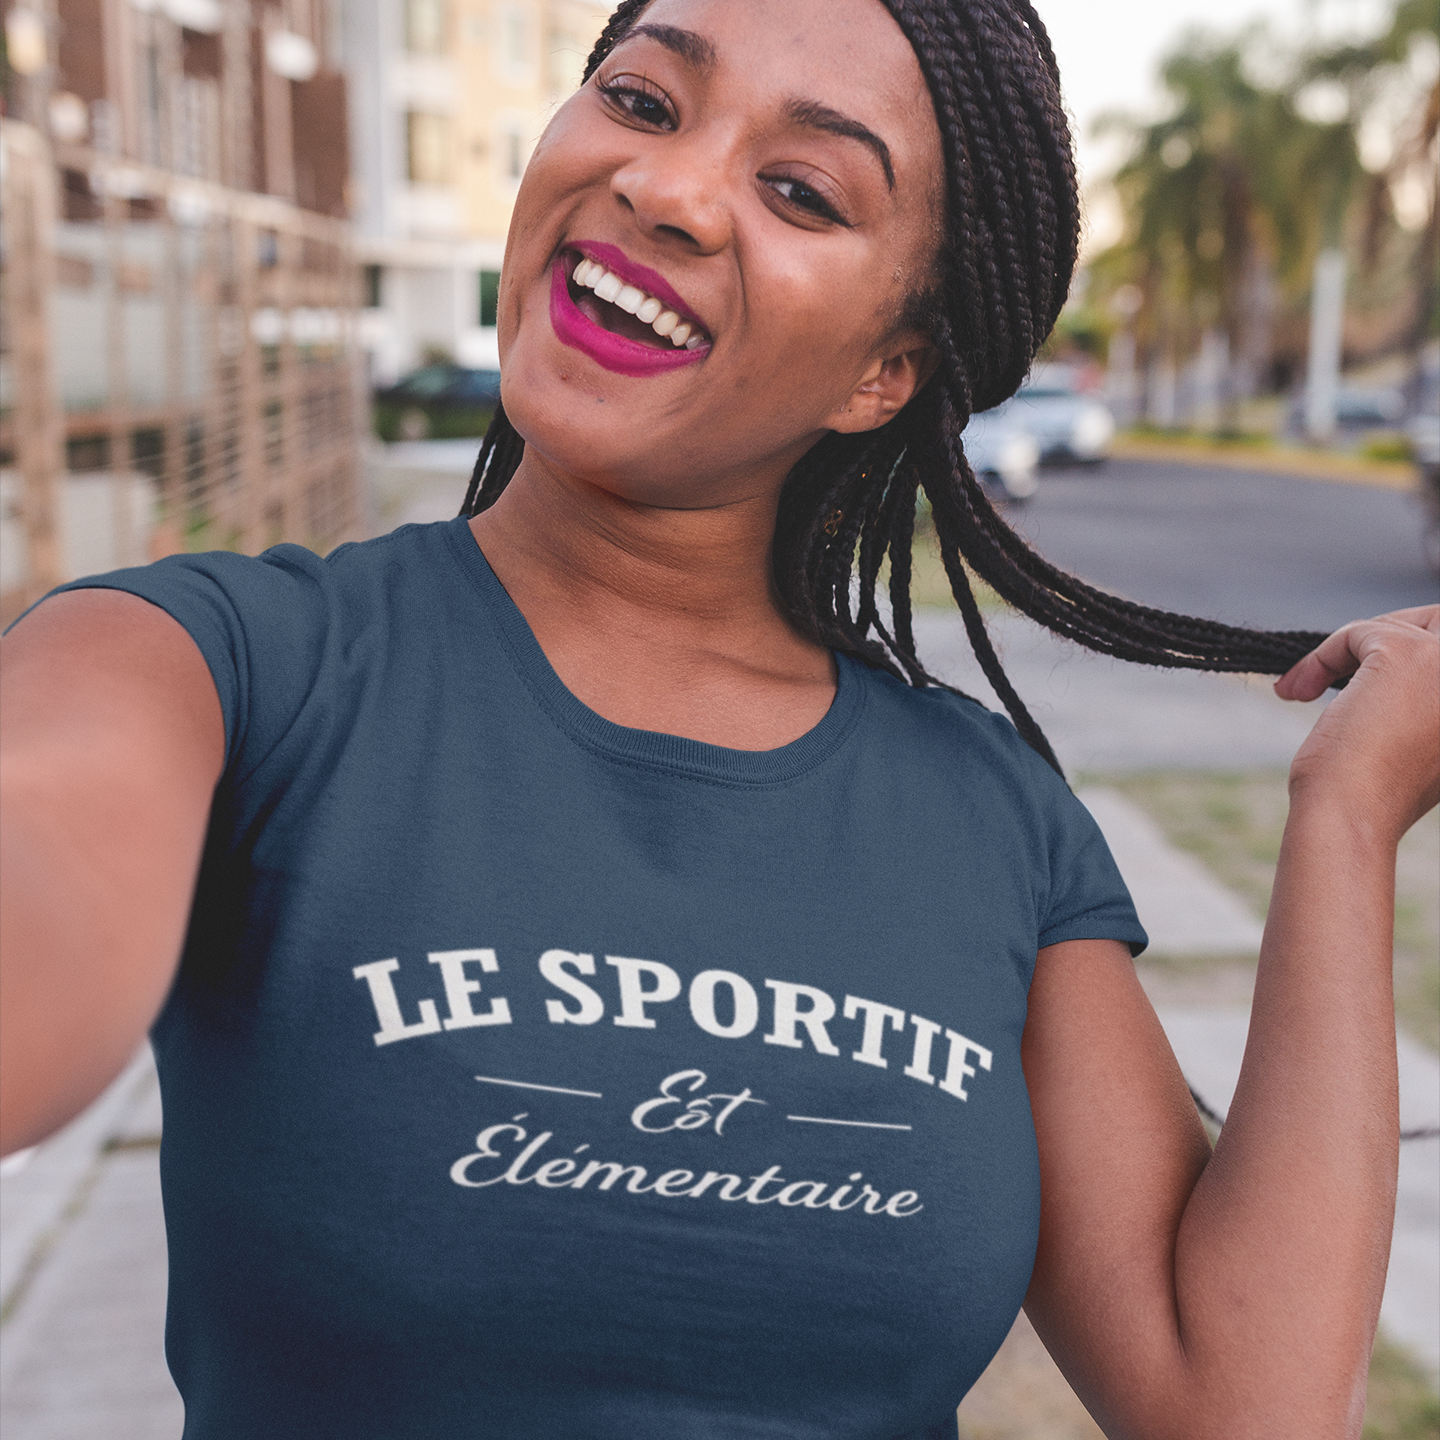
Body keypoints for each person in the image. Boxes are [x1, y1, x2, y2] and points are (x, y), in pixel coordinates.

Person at [2, 0, 1436, 1434]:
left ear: (888, 372)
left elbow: (1240, 1400)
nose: (668, 188)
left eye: (802, 191)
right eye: (639, 100)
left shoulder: (987, 814)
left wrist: (1349, 819)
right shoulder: (219, 667)